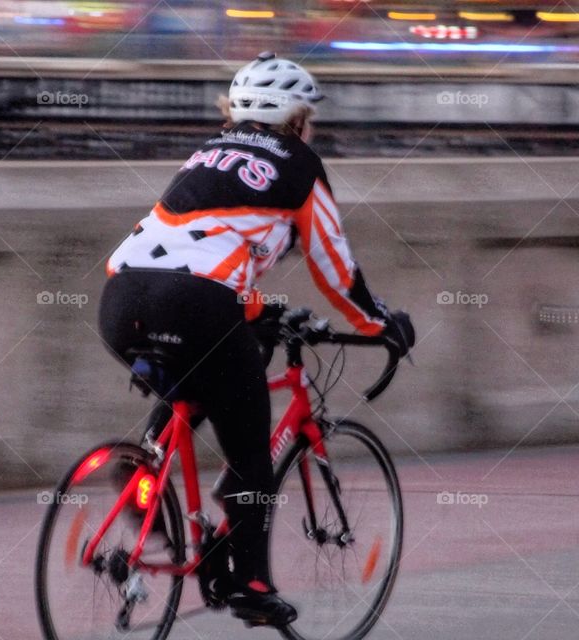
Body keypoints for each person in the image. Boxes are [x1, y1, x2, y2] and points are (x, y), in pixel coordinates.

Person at [98, 52, 414, 628]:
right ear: (296, 119)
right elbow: (334, 265)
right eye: (309, 118)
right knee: (250, 452)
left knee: (205, 373)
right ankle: (250, 583)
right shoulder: (298, 162)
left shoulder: (204, 155)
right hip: (197, 303)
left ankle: (146, 465)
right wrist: (380, 323)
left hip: (121, 300)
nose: (310, 128)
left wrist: (256, 308)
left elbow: (198, 248)